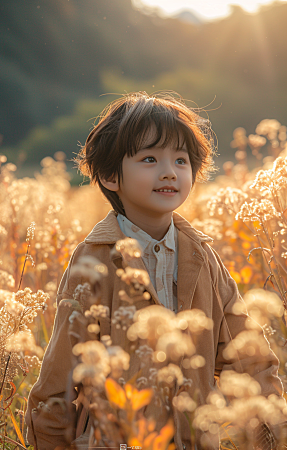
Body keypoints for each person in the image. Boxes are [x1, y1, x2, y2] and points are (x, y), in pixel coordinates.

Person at [25, 92, 285, 450]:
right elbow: (58, 382)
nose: (169, 171)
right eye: (149, 158)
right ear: (110, 176)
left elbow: (251, 358)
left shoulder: (204, 259)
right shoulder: (93, 261)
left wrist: (272, 433)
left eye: (181, 160)